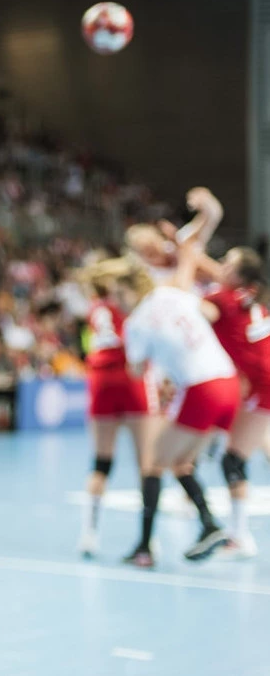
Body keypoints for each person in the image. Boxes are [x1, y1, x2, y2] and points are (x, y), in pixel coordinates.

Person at [115, 234, 238, 567]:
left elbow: (135, 370)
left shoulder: (136, 323)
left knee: (153, 463)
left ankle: (145, 548)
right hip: (227, 381)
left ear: (131, 291)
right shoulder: (172, 292)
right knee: (180, 462)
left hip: (201, 389)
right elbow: (209, 312)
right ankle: (209, 526)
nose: (118, 303)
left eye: (119, 295)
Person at [76, 258, 160, 557]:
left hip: (100, 380)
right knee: (146, 464)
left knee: (101, 462)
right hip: (130, 376)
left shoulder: (94, 307)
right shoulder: (129, 303)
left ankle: (88, 534)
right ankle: (148, 539)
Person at [196, 246, 270, 558]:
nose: (220, 265)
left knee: (233, 460)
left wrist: (184, 258)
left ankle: (240, 537)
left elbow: (185, 303)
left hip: (260, 386)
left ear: (238, 275)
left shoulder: (222, 299)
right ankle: (239, 535)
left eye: (227, 262)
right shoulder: (249, 297)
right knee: (240, 453)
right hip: (256, 385)